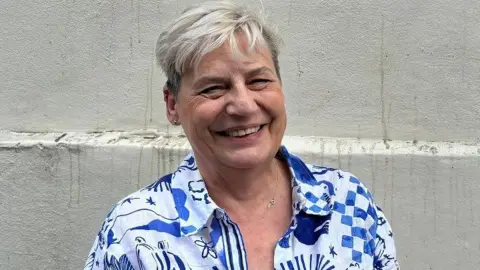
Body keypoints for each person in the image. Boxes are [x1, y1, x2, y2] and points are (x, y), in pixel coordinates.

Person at [84, 1, 398, 269]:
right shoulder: (134, 232)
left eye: (259, 81)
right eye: (213, 88)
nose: (243, 105)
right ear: (172, 105)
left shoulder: (347, 203)